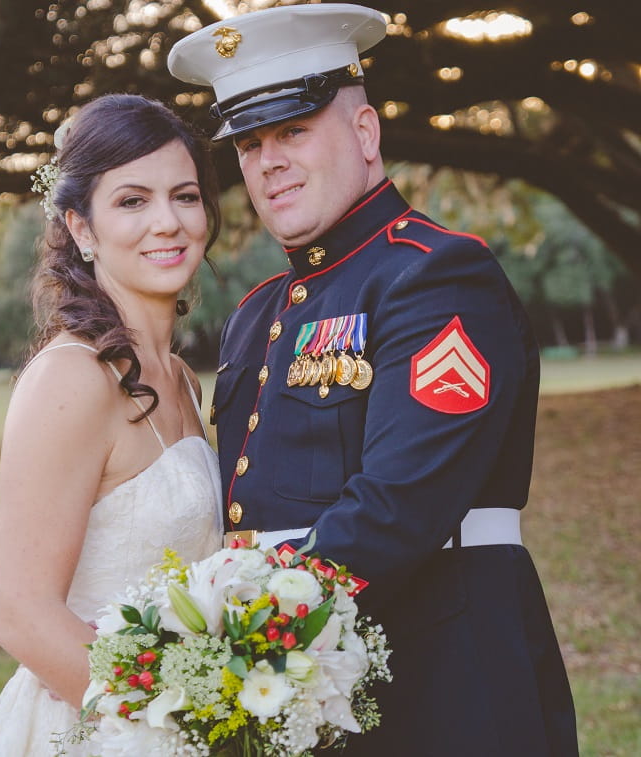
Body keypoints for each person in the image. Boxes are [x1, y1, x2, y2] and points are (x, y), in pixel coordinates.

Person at [169, 4, 578, 755]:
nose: (268, 161)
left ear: (365, 134)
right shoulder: (255, 314)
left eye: (293, 130)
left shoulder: (435, 274)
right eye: (250, 143)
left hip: (441, 675)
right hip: (290, 682)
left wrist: (242, 632)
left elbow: (399, 504)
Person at [0, 93, 223, 756]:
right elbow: (23, 613)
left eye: (186, 195)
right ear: (82, 228)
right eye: (133, 200)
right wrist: (184, 714)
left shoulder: (181, 379)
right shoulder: (73, 377)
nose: (167, 222)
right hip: (108, 726)